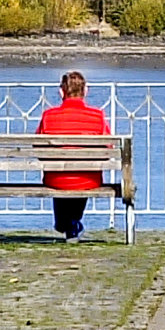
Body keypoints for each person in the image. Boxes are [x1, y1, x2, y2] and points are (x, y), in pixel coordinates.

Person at [36, 70, 110, 241]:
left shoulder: (49, 116)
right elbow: (108, 147)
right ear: (85, 91)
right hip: (87, 178)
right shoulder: (97, 116)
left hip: (56, 178)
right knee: (81, 176)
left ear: (61, 91)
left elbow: (38, 148)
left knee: (61, 176)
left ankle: (65, 224)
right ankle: (72, 223)